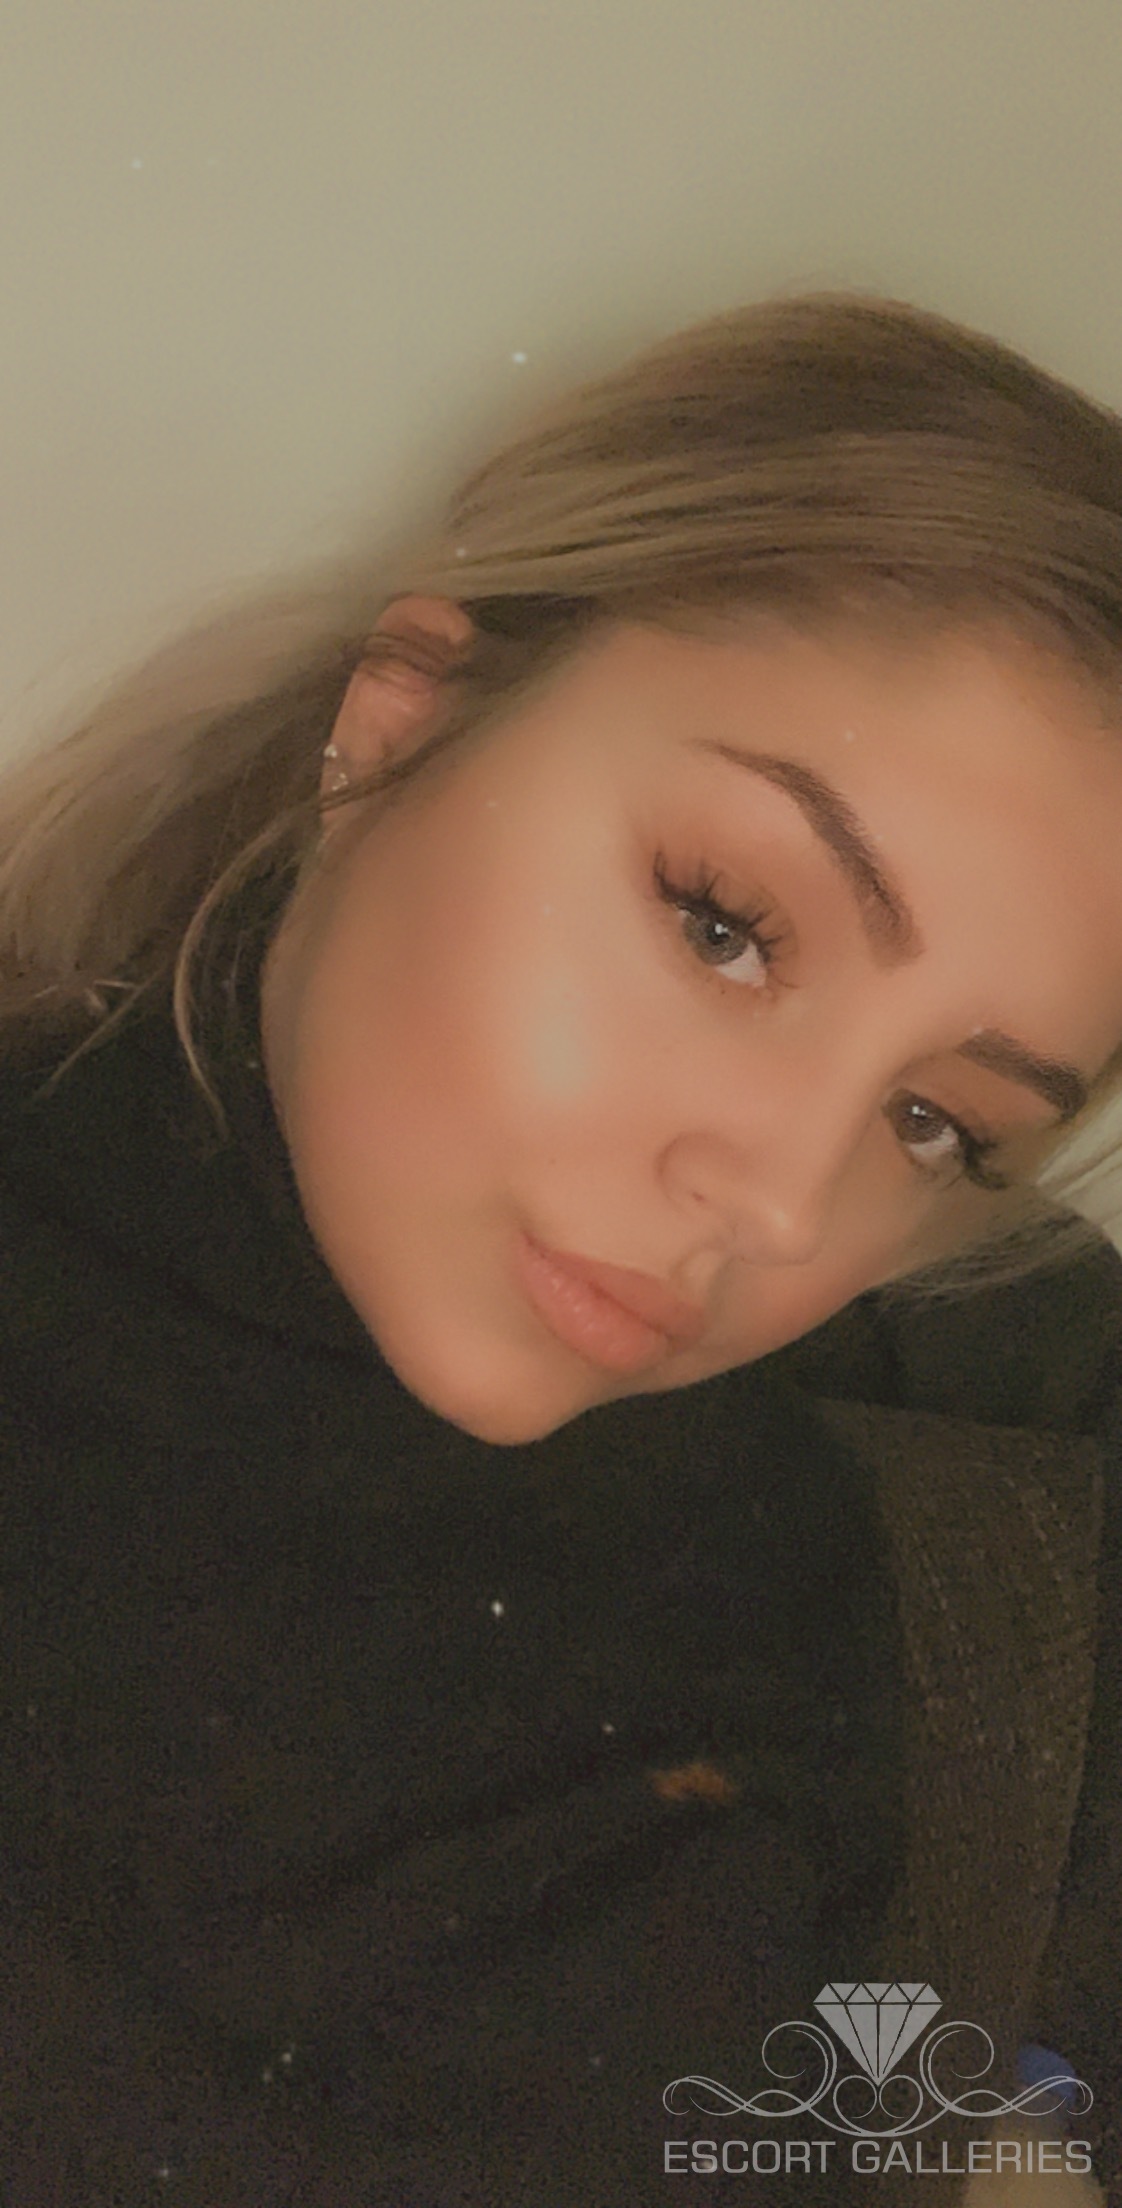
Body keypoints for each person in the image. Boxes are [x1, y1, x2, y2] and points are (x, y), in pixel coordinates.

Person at [1, 290, 1121, 2206]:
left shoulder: (996, 1455)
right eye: (723, 926)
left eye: (936, 1122)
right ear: (401, 717)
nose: (782, 1209)